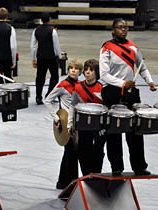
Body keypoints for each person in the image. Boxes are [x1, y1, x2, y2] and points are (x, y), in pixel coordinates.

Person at [100, 18, 156, 176]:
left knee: (135, 131)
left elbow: (142, 67)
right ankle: (116, 167)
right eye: (119, 27)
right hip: (112, 91)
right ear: (113, 30)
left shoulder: (133, 47)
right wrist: (122, 83)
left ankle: (139, 166)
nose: (123, 30)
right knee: (114, 132)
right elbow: (104, 75)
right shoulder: (107, 48)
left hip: (131, 92)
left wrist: (150, 81)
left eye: (125, 27)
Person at [44, 59, 83, 189]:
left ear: (80, 71)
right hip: (66, 123)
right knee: (71, 152)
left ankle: (62, 182)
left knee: (70, 152)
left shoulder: (81, 85)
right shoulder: (63, 84)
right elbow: (47, 100)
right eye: (71, 68)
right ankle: (70, 184)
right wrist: (56, 118)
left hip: (77, 122)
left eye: (76, 68)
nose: (73, 70)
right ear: (68, 70)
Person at [67, 59, 106, 176]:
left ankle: (96, 176)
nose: (87, 72)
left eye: (91, 70)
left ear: (97, 72)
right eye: (86, 70)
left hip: (99, 127)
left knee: (98, 152)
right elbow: (72, 106)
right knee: (83, 153)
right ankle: (86, 177)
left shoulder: (102, 88)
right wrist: (70, 124)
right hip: (83, 126)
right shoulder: (78, 87)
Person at [30, 12, 65, 105]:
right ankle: (49, 95)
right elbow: (56, 45)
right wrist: (60, 56)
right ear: (49, 19)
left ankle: (38, 97)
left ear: (41, 20)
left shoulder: (36, 30)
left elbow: (33, 46)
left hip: (41, 57)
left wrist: (33, 59)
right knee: (54, 77)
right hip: (51, 57)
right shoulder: (52, 31)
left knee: (40, 77)